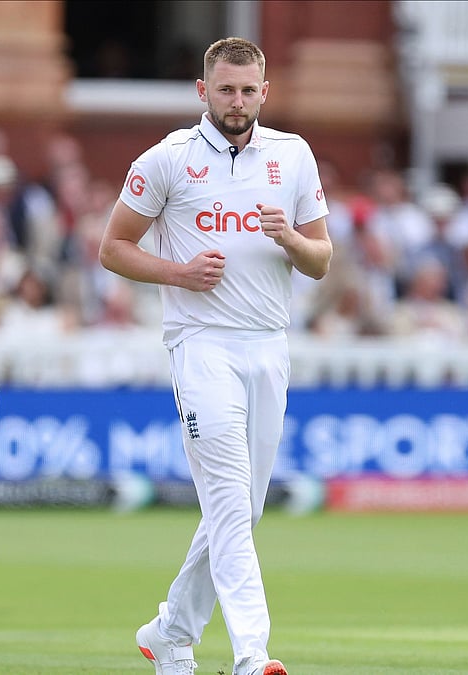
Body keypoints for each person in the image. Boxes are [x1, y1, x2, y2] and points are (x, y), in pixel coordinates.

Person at [99, 37, 332, 675]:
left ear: (265, 91)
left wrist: (287, 234)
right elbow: (113, 248)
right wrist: (178, 272)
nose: (237, 101)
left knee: (245, 507)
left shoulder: (294, 155)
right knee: (229, 502)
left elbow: (320, 261)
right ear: (203, 91)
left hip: (269, 345)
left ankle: (170, 631)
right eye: (225, 90)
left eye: (248, 89)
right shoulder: (168, 159)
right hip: (202, 346)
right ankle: (252, 656)